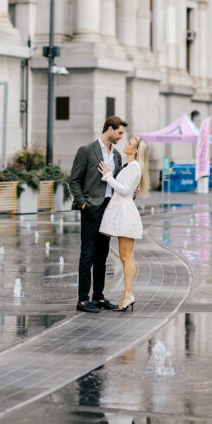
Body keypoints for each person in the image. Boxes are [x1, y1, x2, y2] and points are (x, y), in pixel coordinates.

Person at [69, 115, 128, 313]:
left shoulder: (117, 156)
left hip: (110, 209)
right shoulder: (87, 151)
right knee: (87, 254)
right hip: (91, 209)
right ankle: (83, 299)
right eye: (119, 132)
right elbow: (74, 180)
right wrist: (83, 204)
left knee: (102, 256)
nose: (121, 137)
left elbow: (117, 182)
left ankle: (99, 297)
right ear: (109, 129)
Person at [98, 135, 150, 312]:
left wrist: (108, 176)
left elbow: (126, 191)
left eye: (129, 143)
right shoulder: (131, 166)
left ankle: (128, 295)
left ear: (134, 150)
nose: (126, 144)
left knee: (127, 256)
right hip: (124, 214)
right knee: (125, 255)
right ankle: (127, 295)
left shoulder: (134, 167)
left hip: (126, 215)